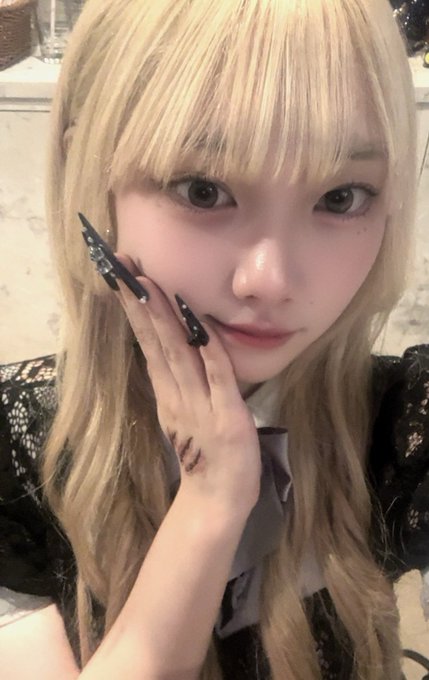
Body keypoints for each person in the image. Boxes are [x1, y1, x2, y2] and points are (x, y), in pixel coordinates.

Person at [0, 0, 428, 678]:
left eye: (341, 197)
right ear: (90, 168)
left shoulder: (402, 422)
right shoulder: (15, 447)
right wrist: (211, 499)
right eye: (202, 190)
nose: (269, 280)